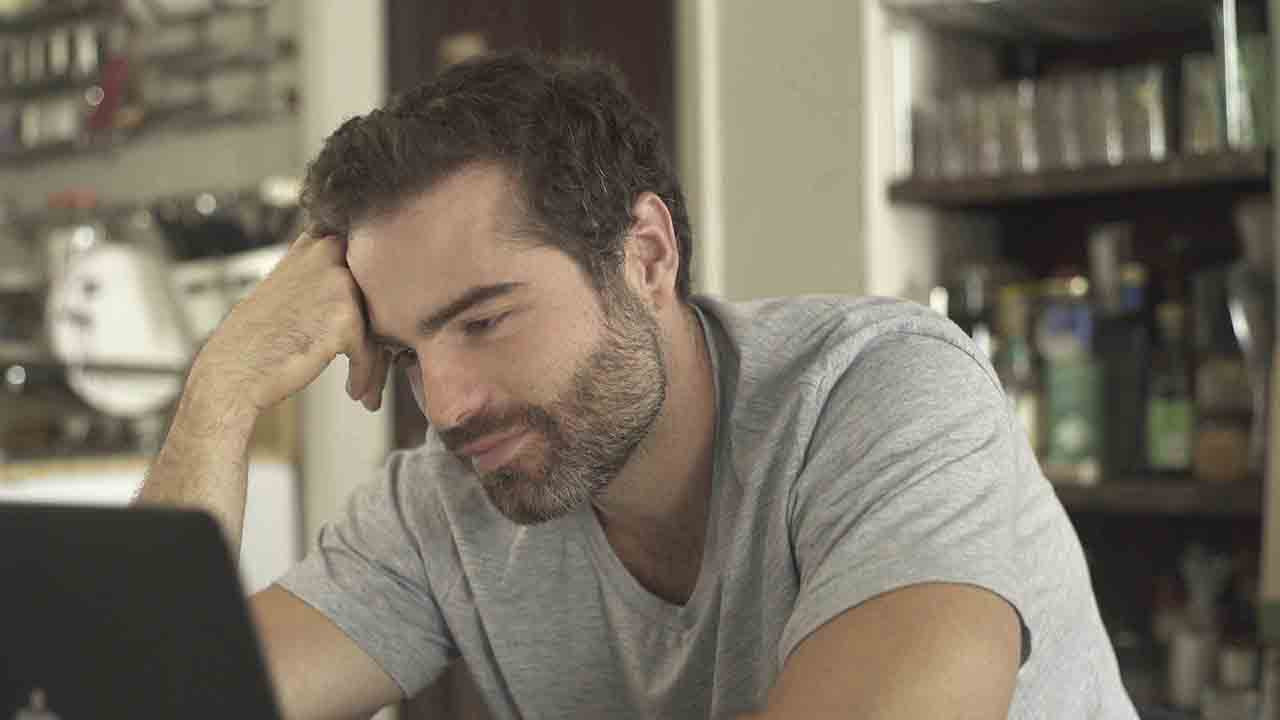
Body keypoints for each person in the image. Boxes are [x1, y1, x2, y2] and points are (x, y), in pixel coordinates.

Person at [137, 51, 1138, 719]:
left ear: (647, 255)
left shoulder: (882, 391)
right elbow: (152, 704)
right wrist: (221, 390)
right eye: (405, 353)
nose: (444, 406)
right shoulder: (449, 499)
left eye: (483, 321)